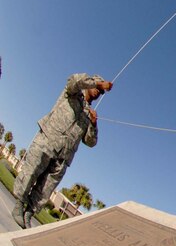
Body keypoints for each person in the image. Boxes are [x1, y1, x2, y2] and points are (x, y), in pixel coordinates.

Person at [12, 73, 112, 229]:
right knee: (30, 173)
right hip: (48, 141)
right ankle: (18, 204)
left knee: (45, 189)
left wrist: (93, 124)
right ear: (91, 83)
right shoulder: (73, 93)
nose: (100, 91)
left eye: (102, 90)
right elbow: (74, 79)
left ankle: (29, 213)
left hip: (63, 157)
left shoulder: (88, 114)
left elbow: (91, 142)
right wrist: (98, 83)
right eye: (98, 85)